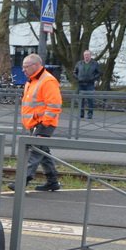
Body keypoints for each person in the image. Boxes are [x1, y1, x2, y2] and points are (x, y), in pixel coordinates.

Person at [10, 53, 63, 192]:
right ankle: (53, 181)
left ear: (35, 66)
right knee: (43, 152)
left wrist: (45, 123)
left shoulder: (47, 81)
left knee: (34, 152)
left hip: (43, 123)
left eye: (25, 67)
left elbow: (55, 105)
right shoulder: (31, 80)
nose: (23, 70)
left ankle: (22, 181)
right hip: (35, 123)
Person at [74, 49, 101, 119]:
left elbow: (99, 73)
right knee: (81, 100)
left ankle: (90, 114)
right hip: (81, 84)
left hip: (90, 84)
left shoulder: (95, 63)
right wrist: (78, 78)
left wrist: (94, 78)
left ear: (90, 56)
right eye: (85, 55)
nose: (86, 56)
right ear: (83, 56)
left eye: (88, 55)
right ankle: (81, 113)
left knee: (90, 100)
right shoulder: (79, 63)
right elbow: (74, 72)